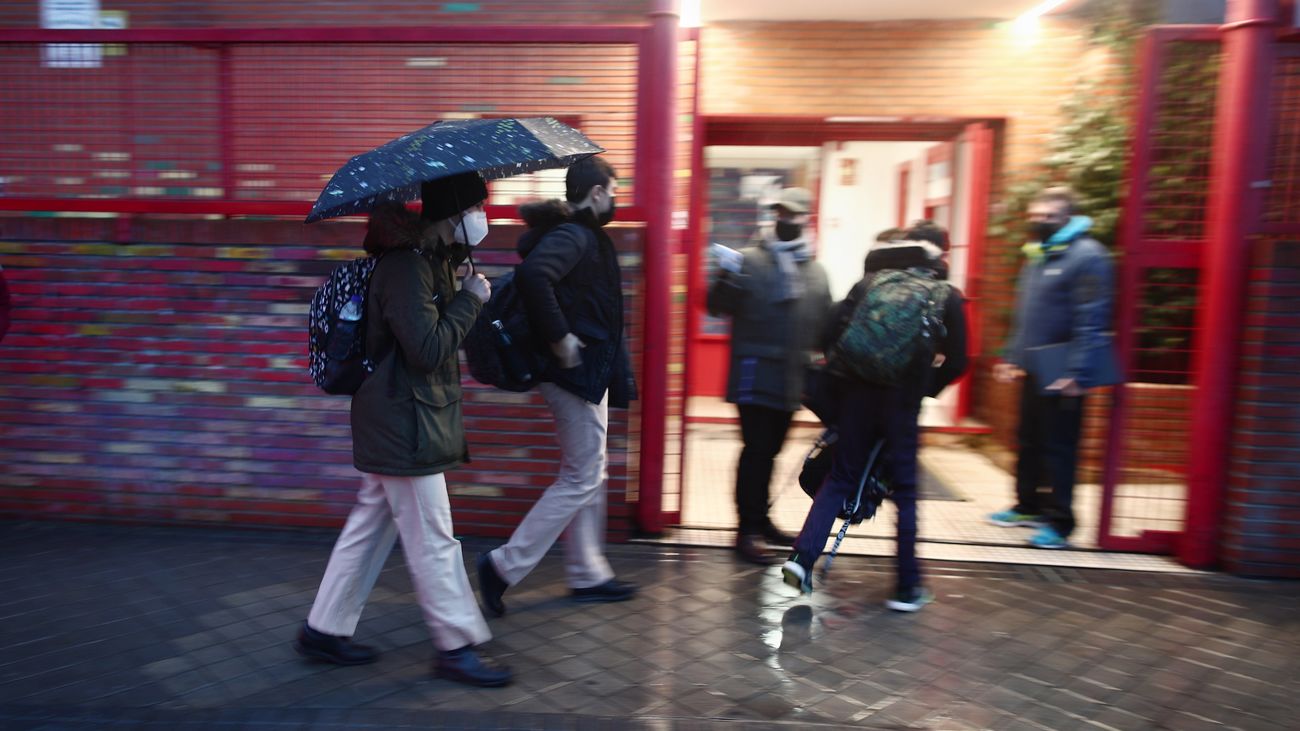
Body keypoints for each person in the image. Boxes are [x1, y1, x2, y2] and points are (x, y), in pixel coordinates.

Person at [294, 172, 511, 688]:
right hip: (403, 422)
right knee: (435, 538)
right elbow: (429, 349)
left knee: (370, 526)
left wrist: (459, 280)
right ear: (454, 216)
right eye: (478, 208)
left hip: (404, 416)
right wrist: (470, 299)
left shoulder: (429, 262)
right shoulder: (405, 269)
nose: (484, 218)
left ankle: (323, 629)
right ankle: (456, 646)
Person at [475, 156, 638, 617]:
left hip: (588, 371)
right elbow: (533, 276)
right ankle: (502, 566)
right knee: (582, 475)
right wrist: (560, 336)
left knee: (590, 471)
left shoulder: (583, 235)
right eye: (614, 188)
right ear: (597, 192)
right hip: (573, 373)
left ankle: (588, 572)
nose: (617, 197)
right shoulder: (575, 235)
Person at [782, 222, 968, 612]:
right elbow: (961, 361)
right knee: (906, 491)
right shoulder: (947, 295)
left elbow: (831, 333)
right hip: (902, 404)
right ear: (941, 256)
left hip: (857, 396)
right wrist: (925, 385)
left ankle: (801, 559)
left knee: (842, 477)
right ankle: (907, 587)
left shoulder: (872, 283)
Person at [706, 187, 832, 565]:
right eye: (780, 212)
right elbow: (716, 307)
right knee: (757, 451)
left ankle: (761, 522)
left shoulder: (816, 270)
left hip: (794, 376)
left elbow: (825, 321)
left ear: (805, 218)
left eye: (792, 214)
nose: (785, 220)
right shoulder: (747, 260)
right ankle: (747, 531)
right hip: (754, 373)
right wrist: (725, 277)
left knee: (772, 452)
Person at [990, 186, 1114, 549]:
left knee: (1060, 447)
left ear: (1068, 217)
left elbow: (1092, 317)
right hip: (1035, 365)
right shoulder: (1038, 255)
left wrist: (1079, 371)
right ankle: (1027, 505)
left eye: (1048, 217)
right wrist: (1013, 357)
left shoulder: (1088, 256)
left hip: (1064, 366)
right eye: (1035, 215)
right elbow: (1024, 314)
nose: (1039, 222)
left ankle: (1060, 523)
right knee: (1029, 439)